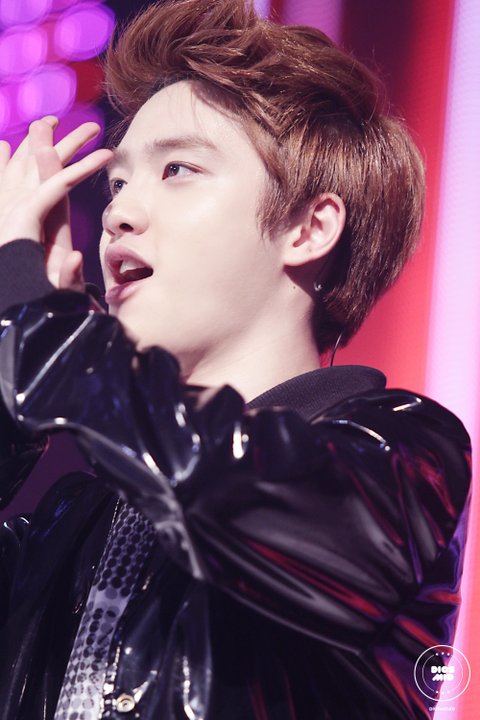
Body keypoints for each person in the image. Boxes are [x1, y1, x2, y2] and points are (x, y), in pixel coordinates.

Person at [0, 0, 471, 718]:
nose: (117, 215)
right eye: (117, 184)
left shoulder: (401, 454)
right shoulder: (76, 518)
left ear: (308, 228)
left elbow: (226, 490)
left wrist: (36, 322)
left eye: (178, 169)